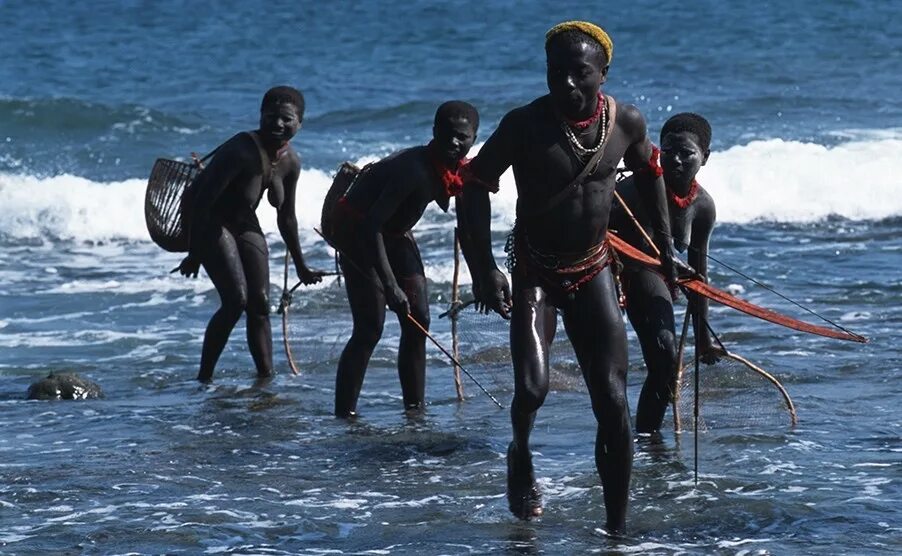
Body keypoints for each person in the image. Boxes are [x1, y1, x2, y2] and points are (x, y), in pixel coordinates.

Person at [456, 22, 676, 534]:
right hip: (536, 271)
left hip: (595, 267)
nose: (568, 86)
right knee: (531, 391)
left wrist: (665, 248)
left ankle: (617, 532)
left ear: (603, 73)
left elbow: (652, 172)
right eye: (557, 74)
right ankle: (521, 453)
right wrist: (484, 268)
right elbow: (474, 185)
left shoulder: (626, 123)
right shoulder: (524, 125)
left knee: (613, 401)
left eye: (581, 74)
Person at [323, 101, 479, 418]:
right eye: (447, 135)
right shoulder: (414, 170)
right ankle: (344, 416)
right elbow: (370, 226)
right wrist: (391, 286)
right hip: (360, 233)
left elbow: (468, 228)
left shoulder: (456, 170)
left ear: (474, 137)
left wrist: (482, 277)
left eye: (462, 137)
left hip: (394, 233)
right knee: (369, 328)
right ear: (434, 132)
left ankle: (415, 412)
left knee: (419, 321)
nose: (454, 143)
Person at [177, 86, 323, 383]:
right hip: (210, 221)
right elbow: (202, 201)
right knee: (235, 301)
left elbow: (287, 217)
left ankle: (265, 380)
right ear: (260, 116)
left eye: (287, 119)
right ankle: (204, 379)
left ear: (300, 124)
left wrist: (301, 264)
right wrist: (194, 252)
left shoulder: (290, 162)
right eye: (271, 117)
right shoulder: (240, 151)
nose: (278, 124)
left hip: (244, 222)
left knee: (260, 303)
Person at [611, 112, 724, 433]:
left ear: (705, 158)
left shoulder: (703, 207)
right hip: (622, 270)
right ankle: (644, 440)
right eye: (668, 151)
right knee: (664, 360)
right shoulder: (638, 188)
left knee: (666, 369)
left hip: (658, 279)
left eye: (686, 153)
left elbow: (698, 274)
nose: (675, 160)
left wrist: (703, 337)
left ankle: (647, 441)